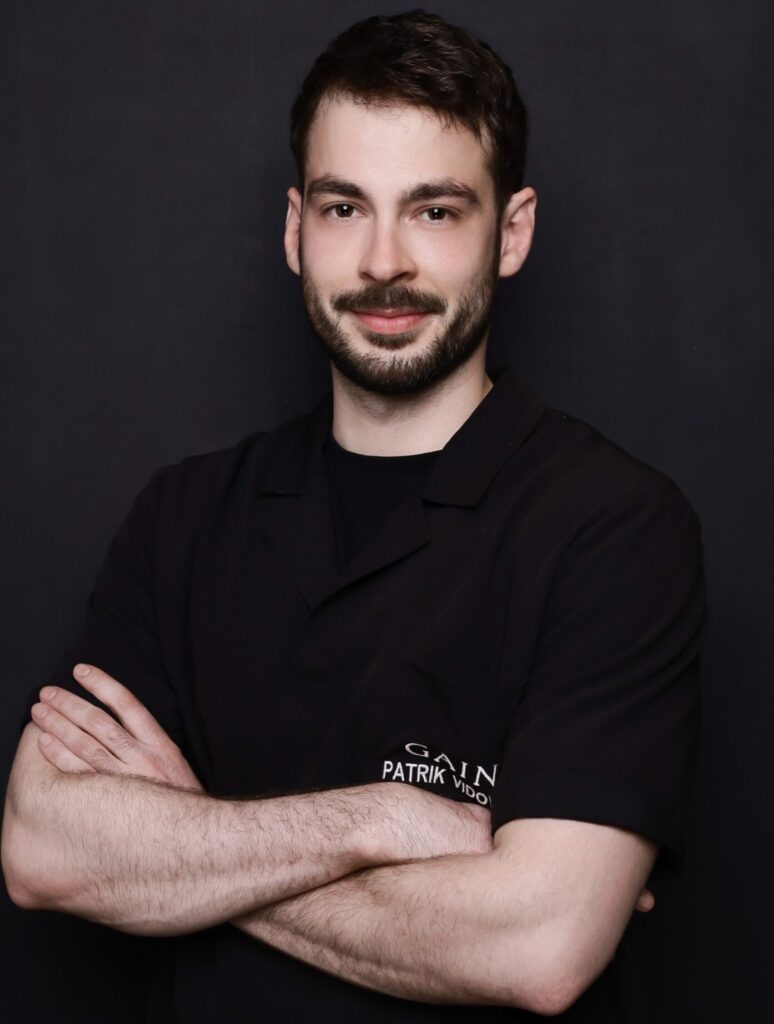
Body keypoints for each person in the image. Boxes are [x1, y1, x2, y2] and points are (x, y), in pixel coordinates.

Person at [2, 10, 706, 1022]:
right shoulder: (182, 518)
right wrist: (382, 818)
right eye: (344, 208)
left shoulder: (615, 529)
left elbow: (540, 946)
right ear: (295, 229)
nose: (382, 262)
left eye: (435, 211)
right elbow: (43, 847)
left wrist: (187, 837)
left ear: (511, 233)